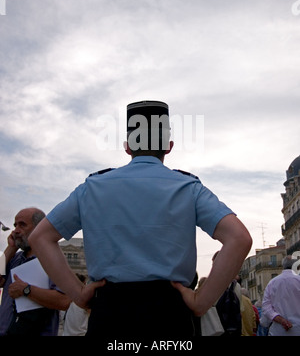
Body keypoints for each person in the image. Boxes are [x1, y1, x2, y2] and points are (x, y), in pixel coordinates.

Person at [28, 100, 252, 338]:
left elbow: (41, 237)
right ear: (168, 146)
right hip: (170, 314)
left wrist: (78, 293)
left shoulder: (92, 187)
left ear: (127, 147)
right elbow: (239, 238)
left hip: (109, 312)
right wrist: (201, 301)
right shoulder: (189, 187)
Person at [0, 208, 71, 336]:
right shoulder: (14, 258)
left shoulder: (52, 259)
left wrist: (26, 290)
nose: (15, 230)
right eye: (15, 225)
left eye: (22, 225)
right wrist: (11, 248)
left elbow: (65, 300)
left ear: (39, 228)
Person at [261, 255, 300, 336]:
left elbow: (266, 307)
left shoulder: (272, 283)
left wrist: (281, 320)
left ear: (283, 266)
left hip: (278, 330)